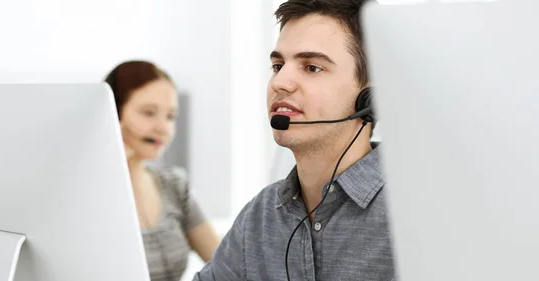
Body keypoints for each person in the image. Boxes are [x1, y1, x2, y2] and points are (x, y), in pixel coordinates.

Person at [192, 0, 395, 280]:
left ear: (369, 100)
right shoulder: (260, 216)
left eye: (312, 67)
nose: (280, 82)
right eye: (277, 65)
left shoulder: (415, 212)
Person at [104, 60, 220, 281]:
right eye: (148, 113)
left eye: (170, 116)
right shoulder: (87, 195)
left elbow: (227, 264)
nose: (163, 129)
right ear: (113, 113)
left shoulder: (174, 184)